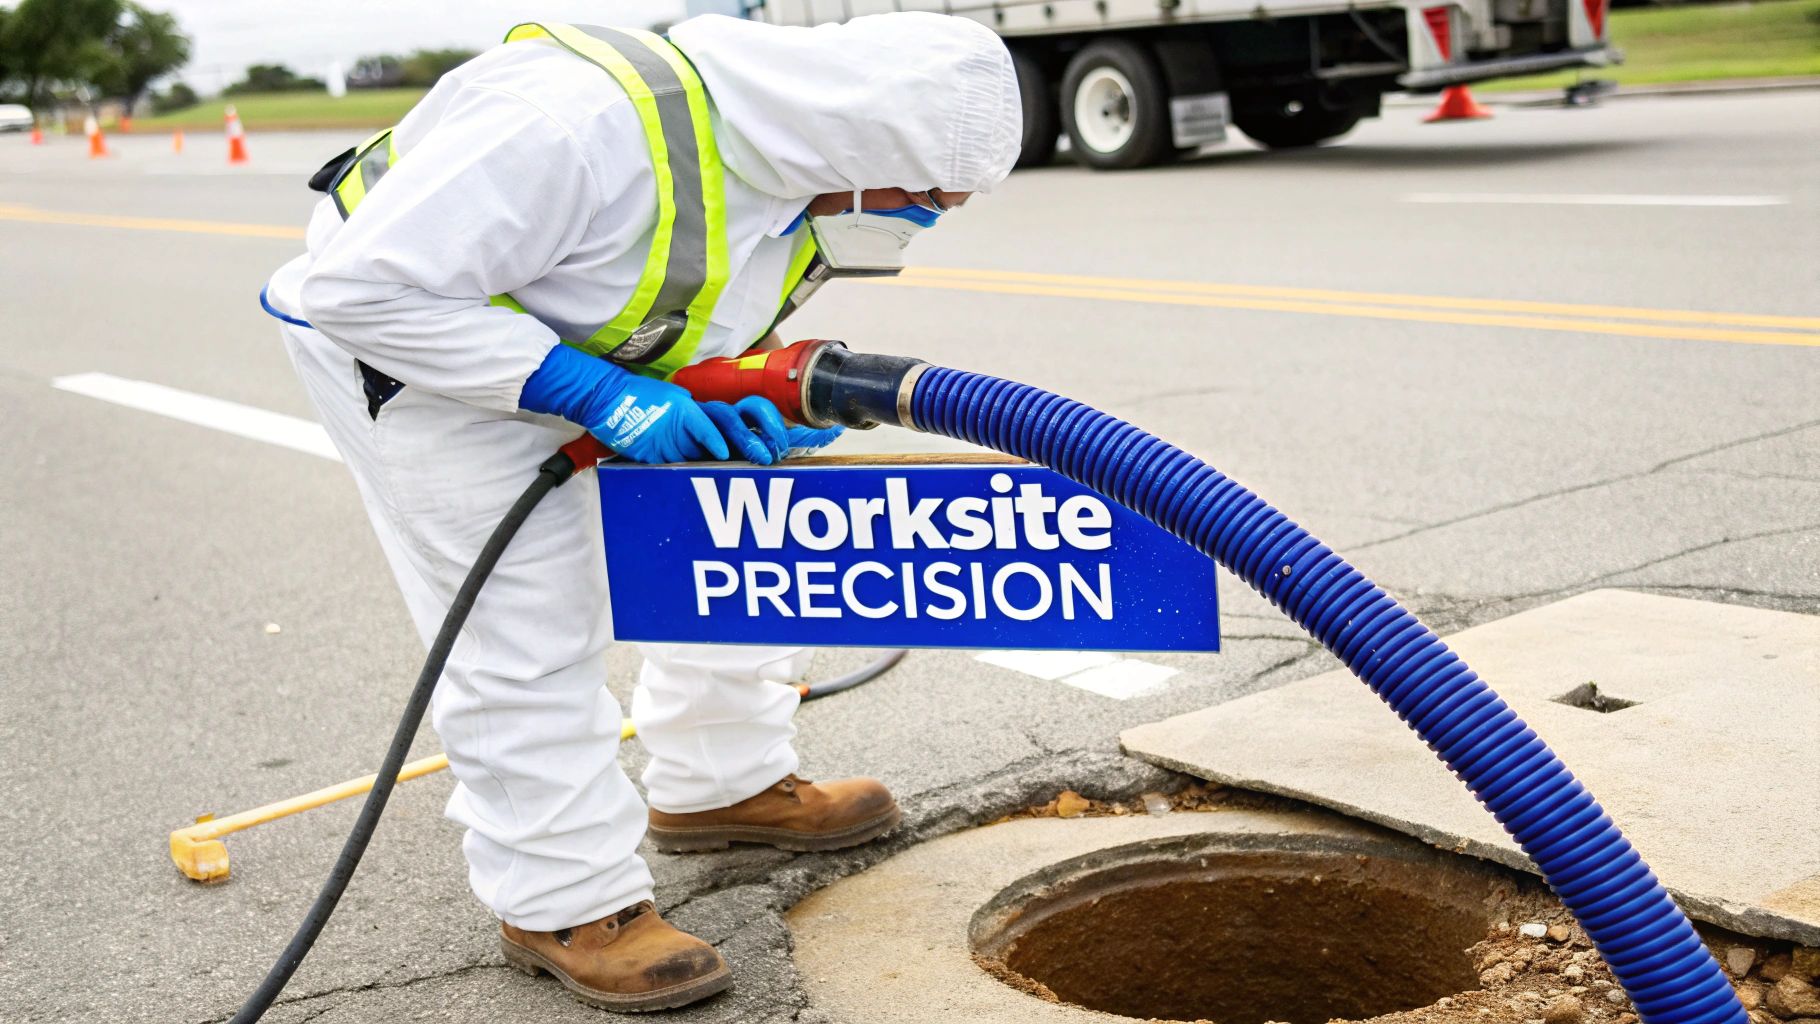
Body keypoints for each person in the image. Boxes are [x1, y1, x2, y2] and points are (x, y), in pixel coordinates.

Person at [260, 11, 1021, 1014]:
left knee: (738, 530)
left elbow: (685, 300)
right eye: (926, 198)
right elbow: (361, 290)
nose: (927, 219)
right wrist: (596, 395)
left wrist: (723, 395)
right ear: (859, 145)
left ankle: (721, 781)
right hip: (418, 354)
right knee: (529, 619)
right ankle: (564, 901)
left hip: (583, 346)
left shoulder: (797, 172)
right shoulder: (573, 125)